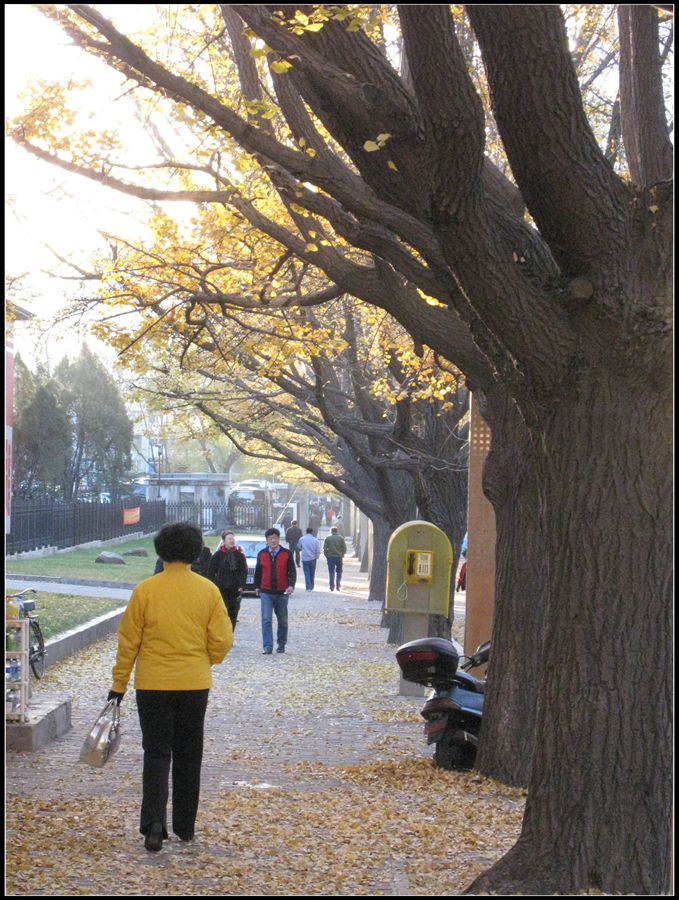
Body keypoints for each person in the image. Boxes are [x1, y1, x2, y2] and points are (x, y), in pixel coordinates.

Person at [108, 522, 233, 853]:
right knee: (190, 753)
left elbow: (128, 643)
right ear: (194, 552)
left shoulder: (145, 591)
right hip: (193, 684)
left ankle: (153, 823)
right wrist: (206, 659)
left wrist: (118, 685)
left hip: (152, 685)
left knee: (157, 752)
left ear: (160, 550)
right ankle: (185, 825)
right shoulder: (207, 591)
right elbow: (221, 641)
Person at [253, 527, 296, 654]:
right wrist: (257, 586)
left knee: (282, 620)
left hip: (282, 592)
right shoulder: (262, 554)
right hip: (266, 592)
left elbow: (292, 571)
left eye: (275, 538)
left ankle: (281, 644)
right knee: (266, 619)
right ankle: (267, 646)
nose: (273, 541)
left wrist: (291, 585)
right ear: (267, 540)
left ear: (279, 539)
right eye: (270, 539)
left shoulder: (286, 553)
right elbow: (258, 572)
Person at [207, 530, 247, 629]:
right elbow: (211, 572)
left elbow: (243, 571)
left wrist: (242, 585)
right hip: (221, 587)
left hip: (235, 588)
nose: (232, 540)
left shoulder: (239, 555)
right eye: (229, 538)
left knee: (233, 612)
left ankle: (230, 633)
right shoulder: (217, 555)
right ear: (224, 541)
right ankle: (222, 633)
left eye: (233, 538)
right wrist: (212, 585)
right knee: (222, 611)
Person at [323, 526, 347, 592]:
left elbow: (325, 548)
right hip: (339, 557)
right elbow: (344, 548)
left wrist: (326, 555)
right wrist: (342, 554)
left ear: (331, 531)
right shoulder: (341, 538)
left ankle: (331, 587)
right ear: (337, 531)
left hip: (330, 557)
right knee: (339, 571)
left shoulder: (328, 538)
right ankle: (338, 585)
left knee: (331, 572)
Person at [298, 527, 322, 591]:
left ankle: (308, 587)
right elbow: (318, 550)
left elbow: (299, 547)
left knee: (306, 573)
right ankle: (312, 586)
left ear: (306, 532)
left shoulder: (302, 539)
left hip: (305, 558)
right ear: (312, 532)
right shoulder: (315, 540)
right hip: (313, 558)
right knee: (312, 573)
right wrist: (317, 556)